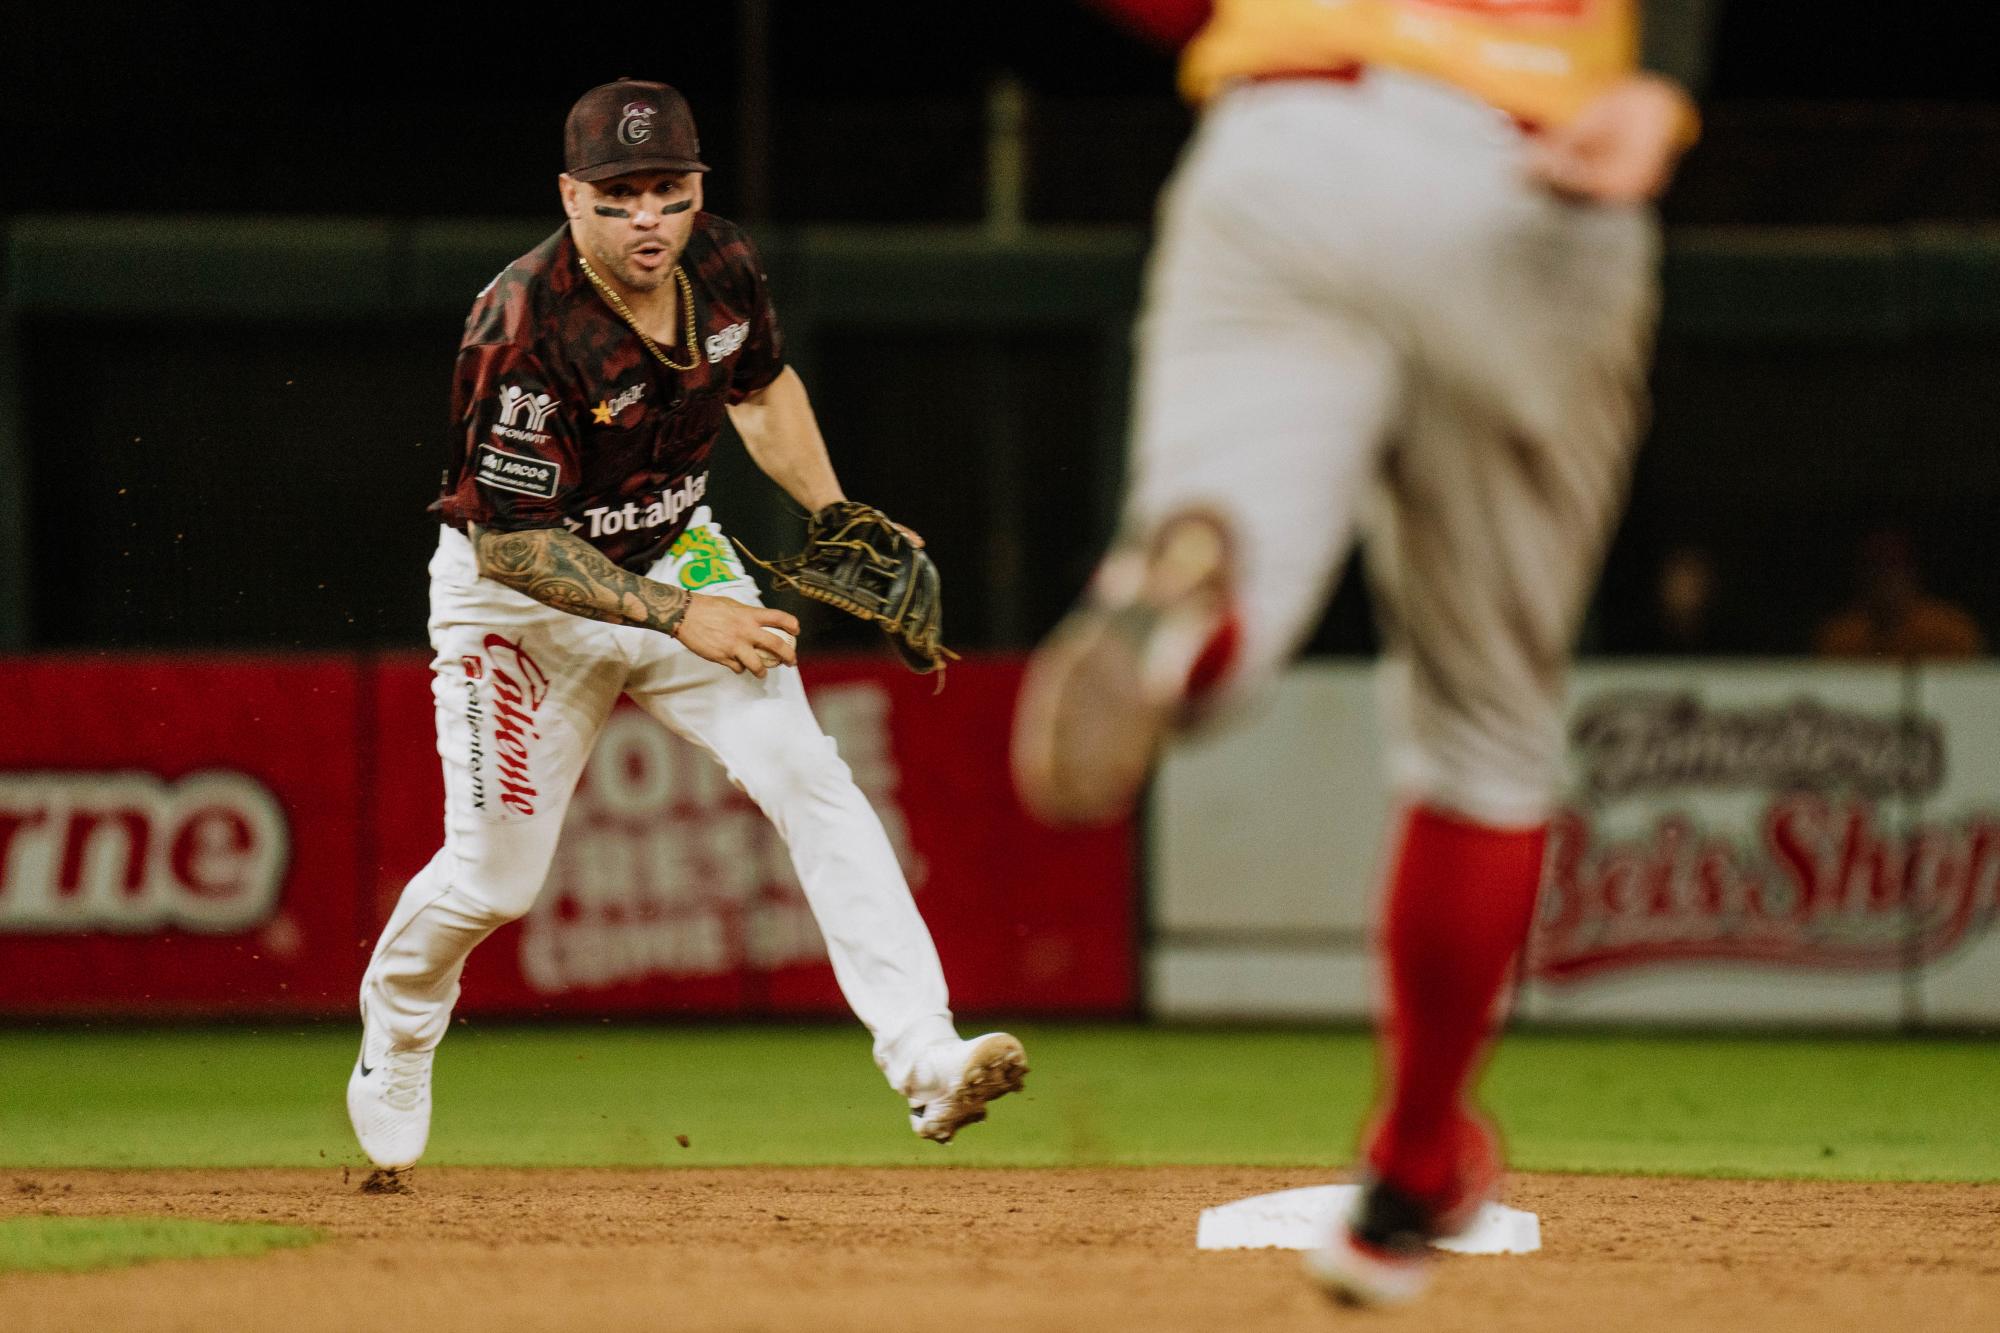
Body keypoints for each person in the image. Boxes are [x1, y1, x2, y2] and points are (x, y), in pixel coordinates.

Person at [1018, 1, 1697, 1306]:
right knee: (1486, 737)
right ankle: (1412, 1165)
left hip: (1290, 137)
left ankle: (1188, 625)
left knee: (1227, 538)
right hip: (1538, 166)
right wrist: (1663, 83)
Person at [348, 79, 1025, 1178]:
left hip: (675, 549)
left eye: (668, 189)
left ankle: (925, 1056)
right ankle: (402, 1019)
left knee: (808, 772)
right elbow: (512, 543)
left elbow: (759, 390)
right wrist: (678, 616)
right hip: (518, 605)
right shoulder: (523, 325)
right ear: (571, 198)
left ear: (696, 189)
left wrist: (831, 510)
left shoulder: (721, 264)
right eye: (619, 197)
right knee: (495, 881)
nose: (648, 218)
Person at [1813, 529, 1985, 660]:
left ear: (1913, 574)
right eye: (1875, 569)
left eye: (1893, 568)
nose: (1885, 580)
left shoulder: (1949, 630)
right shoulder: (1842, 636)